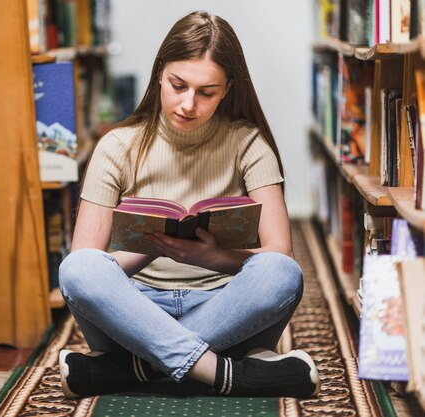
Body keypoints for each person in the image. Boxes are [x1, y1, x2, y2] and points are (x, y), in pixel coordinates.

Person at [58, 10, 320, 399]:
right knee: (77, 269)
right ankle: (229, 374)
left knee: (281, 272)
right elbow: (89, 262)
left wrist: (208, 257)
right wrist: (152, 247)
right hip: (135, 311)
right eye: (178, 85)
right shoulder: (116, 145)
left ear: (228, 88)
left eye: (206, 92)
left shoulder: (247, 143)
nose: (187, 104)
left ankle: (135, 369)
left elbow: (279, 252)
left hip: (226, 307)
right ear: (160, 72)